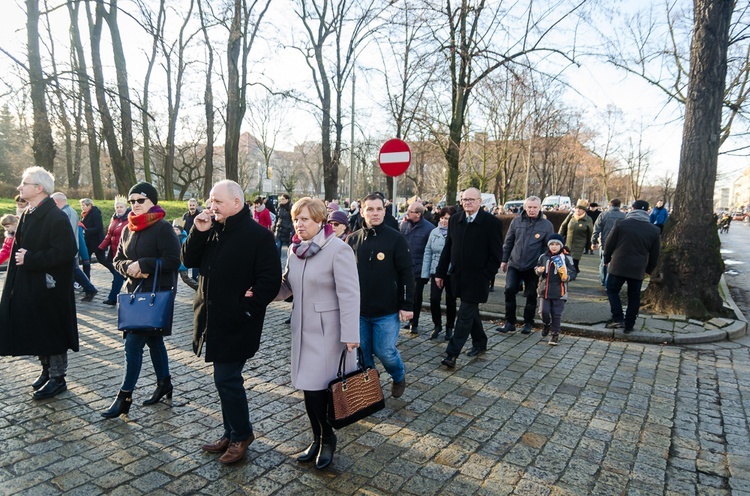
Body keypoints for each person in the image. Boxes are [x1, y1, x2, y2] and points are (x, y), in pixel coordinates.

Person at [183, 180, 281, 465]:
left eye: (218, 202)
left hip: (238, 322)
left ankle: (241, 435)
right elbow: (188, 258)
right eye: (210, 200)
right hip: (211, 318)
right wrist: (197, 232)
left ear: (237, 203)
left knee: (227, 379)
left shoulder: (259, 236)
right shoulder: (210, 228)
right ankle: (230, 432)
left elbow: (269, 281)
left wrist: (245, 309)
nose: (211, 206)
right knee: (223, 379)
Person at [270, 197, 360, 470]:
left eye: (305, 219)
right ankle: (318, 437)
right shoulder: (295, 250)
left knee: (322, 390)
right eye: (296, 219)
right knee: (309, 390)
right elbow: (288, 287)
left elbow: (350, 294)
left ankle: (327, 439)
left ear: (321, 221)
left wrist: (351, 334)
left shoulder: (337, 249)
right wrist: (262, 293)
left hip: (329, 333)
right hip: (302, 328)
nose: (299, 224)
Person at [102, 182, 181, 418]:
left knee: (133, 344)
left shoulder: (163, 228)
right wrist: (129, 267)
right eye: (132, 201)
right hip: (133, 293)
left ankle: (124, 396)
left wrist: (144, 265)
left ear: (152, 202)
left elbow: (173, 260)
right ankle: (164, 382)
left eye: (141, 200)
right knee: (154, 340)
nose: (135, 205)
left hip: (155, 294)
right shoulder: (128, 228)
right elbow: (117, 260)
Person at [0, 167, 78, 400]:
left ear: (39, 188)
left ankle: (58, 378)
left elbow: (66, 252)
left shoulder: (56, 216)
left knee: (51, 330)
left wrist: (31, 258)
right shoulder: (29, 212)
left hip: (50, 287)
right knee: (38, 328)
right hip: (31, 285)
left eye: (25, 183)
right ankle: (46, 371)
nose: (19, 187)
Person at [347, 193, 413, 398]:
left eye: (379, 209)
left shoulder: (396, 239)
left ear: (385, 211)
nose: (374, 213)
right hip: (359, 311)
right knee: (364, 353)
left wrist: (407, 304)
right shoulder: (352, 239)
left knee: (384, 350)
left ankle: (398, 375)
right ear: (362, 211)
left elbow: (407, 273)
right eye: (370, 209)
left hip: (387, 311)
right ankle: (370, 390)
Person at [435, 188, 503, 368]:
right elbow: (448, 247)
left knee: (464, 314)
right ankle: (480, 341)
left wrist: (486, 275)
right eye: (464, 199)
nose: (467, 203)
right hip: (457, 276)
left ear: (480, 201)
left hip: (478, 278)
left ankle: (452, 354)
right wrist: (440, 272)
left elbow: (496, 255)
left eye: (471, 200)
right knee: (470, 312)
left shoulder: (491, 223)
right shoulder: (455, 219)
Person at [497, 196, 554, 335]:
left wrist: (544, 265)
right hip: (514, 263)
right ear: (525, 207)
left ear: (540, 208)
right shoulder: (516, 221)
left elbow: (549, 248)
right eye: (529, 207)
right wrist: (504, 260)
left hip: (533, 266)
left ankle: (528, 322)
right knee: (509, 290)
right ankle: (510, 322)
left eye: (535, 207)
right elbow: (509, 242)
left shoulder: (546, 225)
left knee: (531, 294)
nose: (532, 210)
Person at [604, 200, 661, 334]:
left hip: (618, 265)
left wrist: (607, 259)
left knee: (612, 290)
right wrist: (649, 269)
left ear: (632, 208)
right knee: (634, 296)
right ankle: (629, 324)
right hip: (638, 268)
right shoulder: (654, 230)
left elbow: (609, 243)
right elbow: (655, 254)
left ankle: (618, 317)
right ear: (648, 211)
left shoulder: (621, 224)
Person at [51, 192, 98, 302]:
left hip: (68, 249)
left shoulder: (66, 213)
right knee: (73, 270)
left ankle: (90, 289)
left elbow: (66, 233)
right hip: (69, 248)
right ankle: (88, 289)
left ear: (56, 202)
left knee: (74, 270)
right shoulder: (67, 211)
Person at [422, 207, 457, 341]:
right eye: (442, 218)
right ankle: (437, 325)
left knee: (451, 300)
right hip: (436, 271)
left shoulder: (456, 233)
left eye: (447, 218)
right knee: (434, 299)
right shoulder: (434, 232)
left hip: (451, 272)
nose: (444, 221)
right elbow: (428, 252)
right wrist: (425, 273)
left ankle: (450, 326)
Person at [534, 233, 577, 345]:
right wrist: (538, 270)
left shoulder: (566, 258)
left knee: (556, 313)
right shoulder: (543, 257)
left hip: (560, 291)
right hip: (544, 290)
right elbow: (537, 267)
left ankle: (555, 335)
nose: (554, 246)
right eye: (552, 244)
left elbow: (573, 271)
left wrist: (568, 277)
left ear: (561, 246)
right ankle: (546, 324)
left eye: (557, 244)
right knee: (543, 312)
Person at [400, 202, 433, 335]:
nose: (407, 212)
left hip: (419, 269)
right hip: (405, 267)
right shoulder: (404, 225)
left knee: (416, 296)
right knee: (406, 295)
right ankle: (409, 320)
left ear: (418, 214)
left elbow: (429, 250)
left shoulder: (429, 229)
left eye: (410, 211)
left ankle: (415, 322)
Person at [98, 196, 130, 305]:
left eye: (121, 207)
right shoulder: (114, 219)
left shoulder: (129, 219)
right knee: (121, 276)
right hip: (114, 253)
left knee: (118, 276)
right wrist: (101, 247)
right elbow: (109, 235)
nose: (119, 209)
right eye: (117, 207)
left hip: (125, 253)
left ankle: (112, 298)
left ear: (126, 207)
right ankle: (116, 297)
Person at [591, 198, 626, 286]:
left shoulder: (603, 215)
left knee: (604, 261)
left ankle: (603, 280)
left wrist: (593, 242)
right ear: (619, 205)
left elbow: (596, 229)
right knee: (615, 263)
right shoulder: (625, 216)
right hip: (619, 244)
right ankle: (610, 281)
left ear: (610, 205)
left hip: (605, 242)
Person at [558, 202, 593, 272]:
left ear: (584, 211)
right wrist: (559, 237)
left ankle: (574, 271)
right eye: (577, 208)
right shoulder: (571, 216)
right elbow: (563, 226)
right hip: (569, 241)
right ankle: (573, 270)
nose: (578, 210)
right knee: (567, 257)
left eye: (580, 209)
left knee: (575, 258)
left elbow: (590, 232)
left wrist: (590, 244)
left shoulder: (588, 219)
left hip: (580, 242)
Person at [79, 198, 105, 271]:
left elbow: (99, 227)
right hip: (88, 242)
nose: (82, 207)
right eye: (82, 205)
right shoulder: (85, 214)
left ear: (89, 205)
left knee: (102, 260)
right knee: (86, 260)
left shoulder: (95, 214)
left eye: (84, 205)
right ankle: (87, 279)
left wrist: (85, 231)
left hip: (97, 241)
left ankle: (116, 274)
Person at [273, 193, 294, 258]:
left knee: (289, 246)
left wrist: (290, 227)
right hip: (279, 229)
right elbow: (277, 217)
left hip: (287, 229)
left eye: (283, 199)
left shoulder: (291, 208)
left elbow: (292, 219)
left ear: (287, 200)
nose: (281, 200)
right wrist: (275, 226)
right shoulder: (279, 207)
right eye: (281, 199)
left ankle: (292, 258)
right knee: (278, 246)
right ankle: (277, 260)